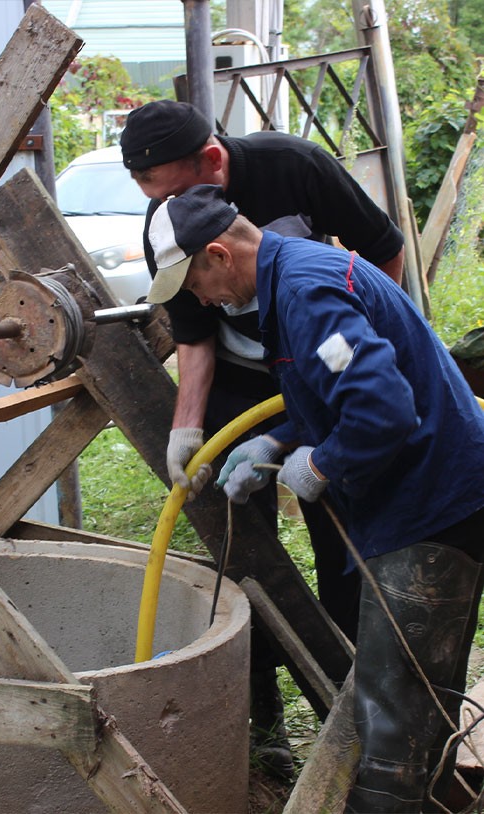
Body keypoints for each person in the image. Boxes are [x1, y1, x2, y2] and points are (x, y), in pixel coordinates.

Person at [144, 183, 484, 814]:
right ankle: (439, 799)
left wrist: (322, 464)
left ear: (218, 255)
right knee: (417, 692)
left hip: (431, 502)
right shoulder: (292, 281)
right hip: (432, 490)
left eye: (193, 285)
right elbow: (340, 389)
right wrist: (275, 443)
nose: (200, 300)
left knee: (392, 710)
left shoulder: (304, 294)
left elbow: (383, 411)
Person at [120, 99, 405, 776]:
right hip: (239, 390)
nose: (166, 207)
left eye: (177, 192)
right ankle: (264, 720)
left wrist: (355, 346)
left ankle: (359, 704)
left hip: (322, 357)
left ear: (212, 163)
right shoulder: (171, 223)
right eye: (154, 198)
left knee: (338, 539)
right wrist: (190, 429)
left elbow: (385, 255)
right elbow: (192, 334)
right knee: (243, 557)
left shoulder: (295, 169)